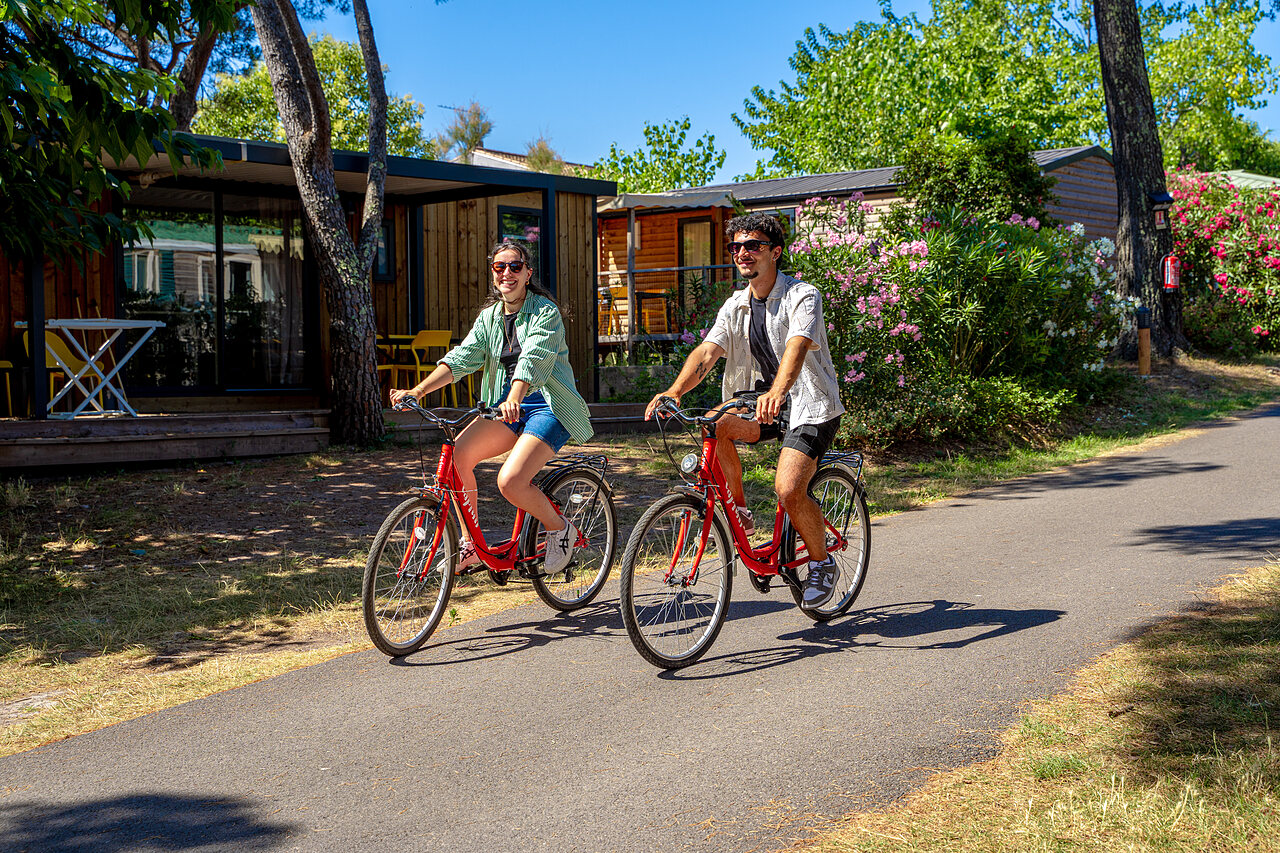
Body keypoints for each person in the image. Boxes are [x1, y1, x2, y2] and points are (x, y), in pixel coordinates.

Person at [645, 213, 845, 608]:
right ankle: (738, 509)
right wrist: (675, 390)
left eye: (752, 245)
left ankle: (822, 564)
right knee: (714, 422)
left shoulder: (803, 296)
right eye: (736, 247)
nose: (742, 253)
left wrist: (778, 391)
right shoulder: (736, 304)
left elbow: (797, 345)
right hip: (760, 401)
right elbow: (708, 351)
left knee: (789, 490)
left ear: (775, 252)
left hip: (808, 403)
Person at [390, 240, 594, 576]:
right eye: (500, 267)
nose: (507, 273)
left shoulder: (546, 312)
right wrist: (419, 389)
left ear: (528, 273)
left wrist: (516, 395)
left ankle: (560, 529)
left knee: (511, 481)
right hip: (504, 408)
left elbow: (534, 358)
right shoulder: (489, 319)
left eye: (515, 266)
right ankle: (472, 544)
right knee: (458, 457)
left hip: (548, 406)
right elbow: (462, 358)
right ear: (493, 273)